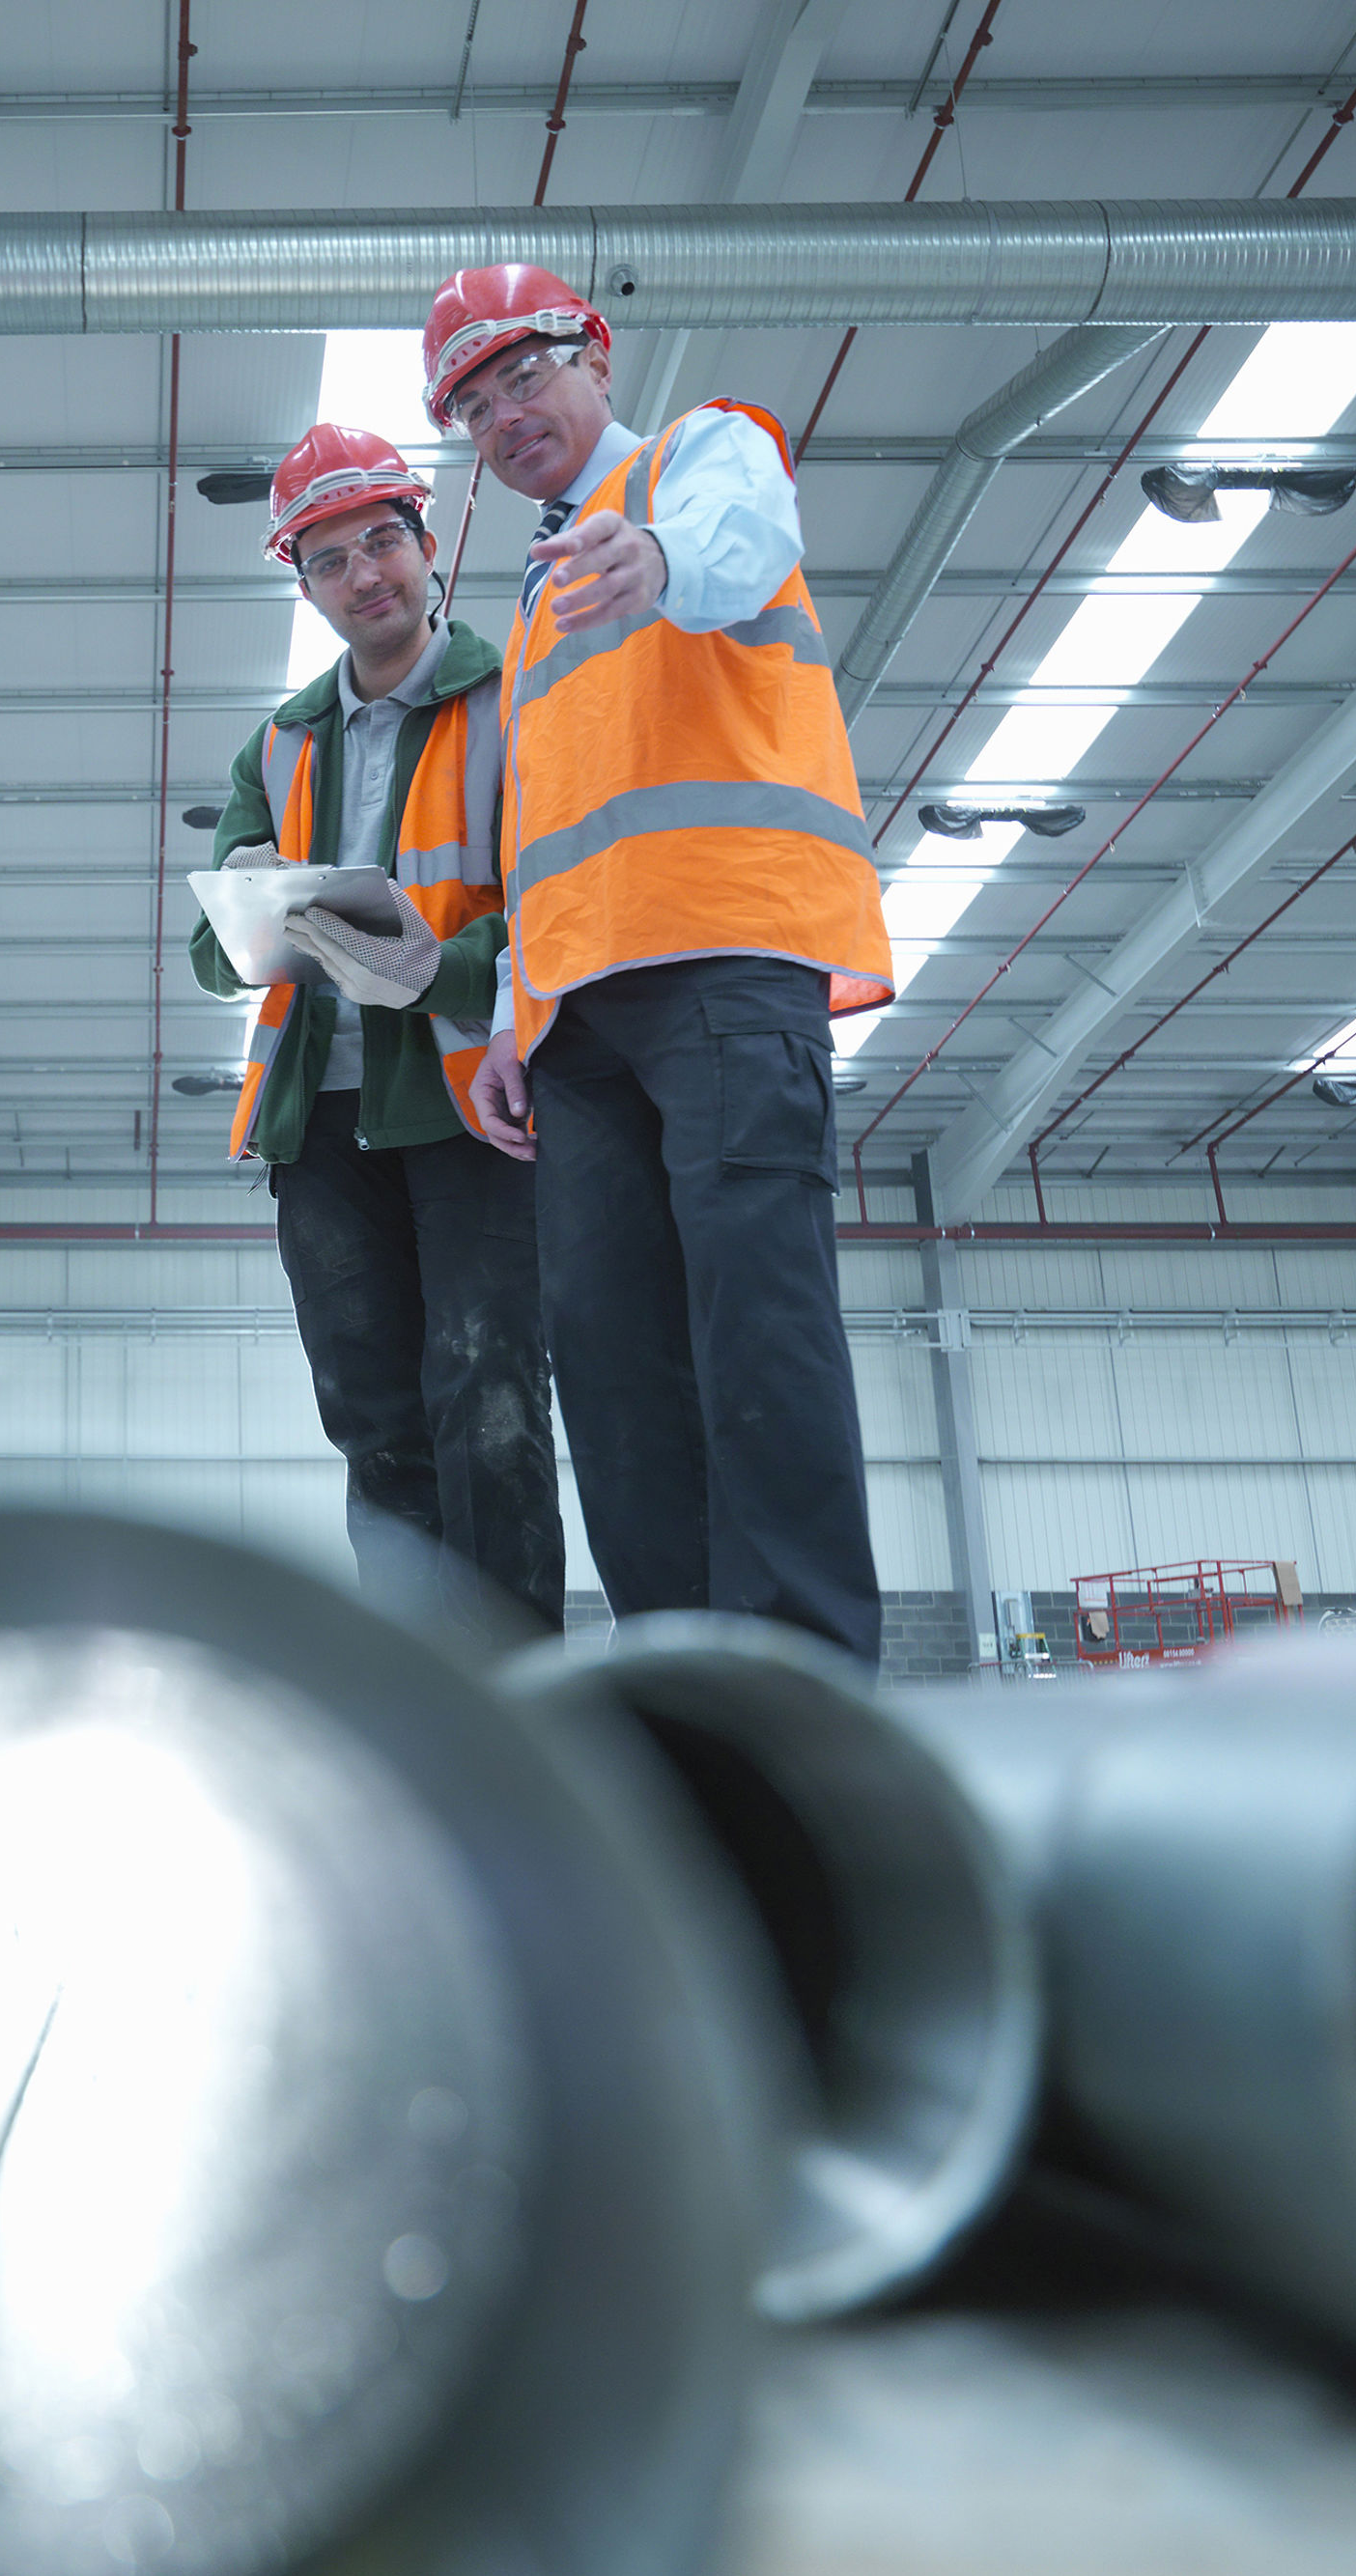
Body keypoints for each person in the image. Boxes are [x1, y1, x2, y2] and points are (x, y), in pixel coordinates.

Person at [413, 264, 893, 1662]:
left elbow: (739, 540)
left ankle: (804, 1679)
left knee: (758, 1319)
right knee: (611, 1359)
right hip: (579, 1024)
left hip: (729, 962)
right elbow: (546, 833)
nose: (505, 417)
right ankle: (683, 1683)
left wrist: (663, 562)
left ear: (597, 359)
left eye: (523, 377)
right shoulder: (531, 619)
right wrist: (510, 1012)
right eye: (475, 405)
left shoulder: (701, 461)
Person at [184, 423, 565, 1635]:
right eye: (332, 558)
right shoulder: (281, 742)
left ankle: (519, 1695)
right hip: (326, 1130)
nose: (366, 575)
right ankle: (418, 1690)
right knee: (371, 1416)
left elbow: (562, 915)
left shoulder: (518, 703)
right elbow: (210, 955)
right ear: (303, 584)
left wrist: (432, 969)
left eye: (384, 542)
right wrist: (258, 909)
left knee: (489, 1403)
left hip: (471, 1114)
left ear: (428, 544)